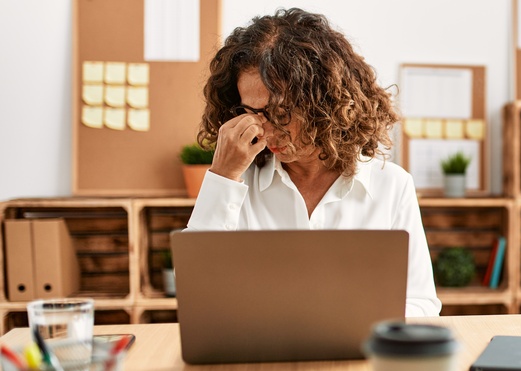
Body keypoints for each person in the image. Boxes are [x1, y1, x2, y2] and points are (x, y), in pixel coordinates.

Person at [186, 8, 441, 317]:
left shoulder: (391, 185)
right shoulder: (237, 184)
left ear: (324, 103)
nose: (264, 130)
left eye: (279, 112)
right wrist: (222, 177)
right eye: (251, 113)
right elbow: (197, 298)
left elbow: (421, 303)